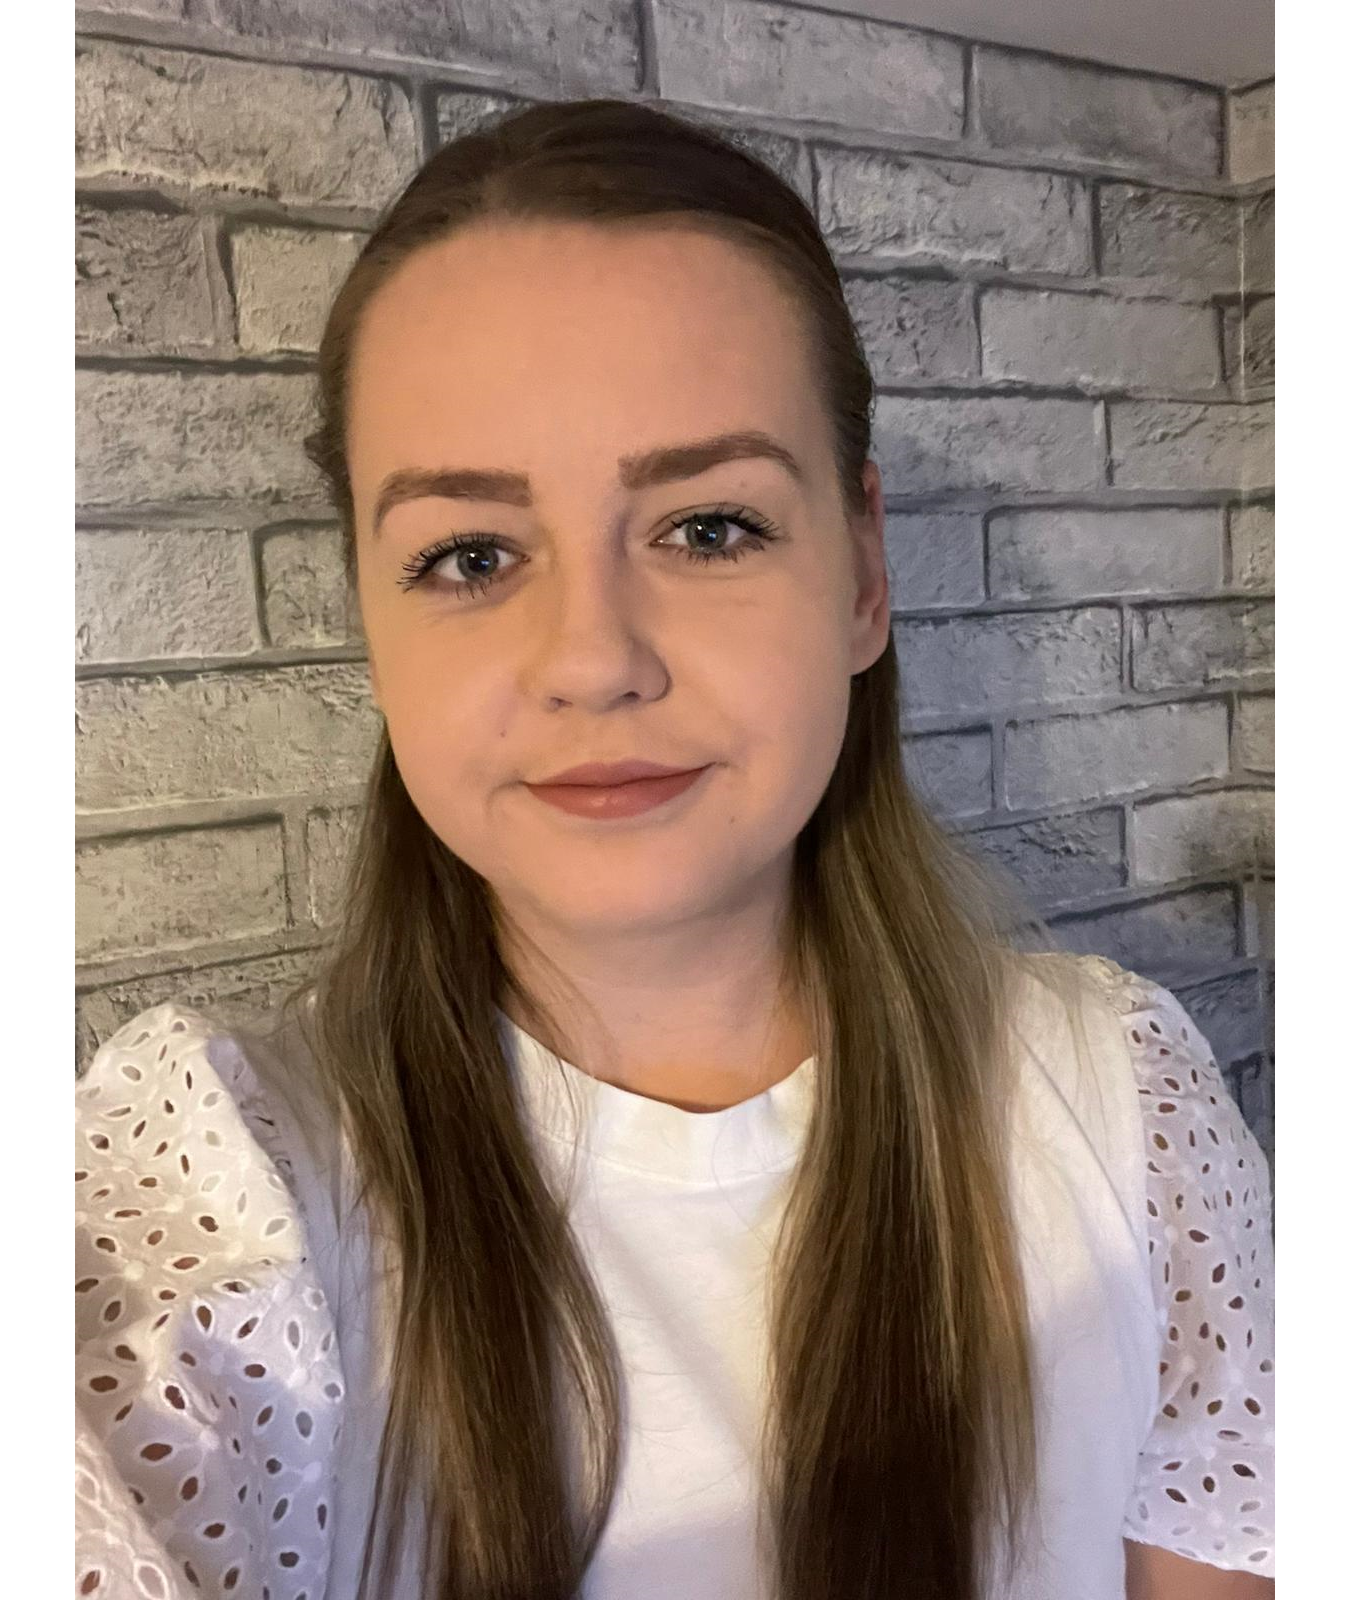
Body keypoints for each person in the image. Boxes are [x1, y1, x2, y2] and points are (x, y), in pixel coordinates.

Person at [74, 99, 1274, 1600]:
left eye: (708, 529)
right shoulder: (215, 1194)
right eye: (469, 555)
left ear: (863, 576)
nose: (593, 660)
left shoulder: (1126, 1108)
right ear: (370, 628)